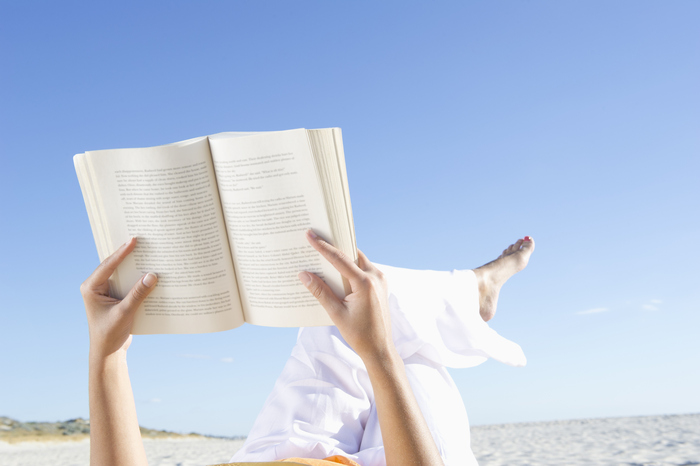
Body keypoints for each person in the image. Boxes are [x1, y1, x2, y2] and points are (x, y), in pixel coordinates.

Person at [81, 230, 534, 466]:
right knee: (405, 347)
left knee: (337, 303)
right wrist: (378, 355)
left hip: (276, 457)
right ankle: (474, 289)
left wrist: (108, 352)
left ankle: (470, 291)